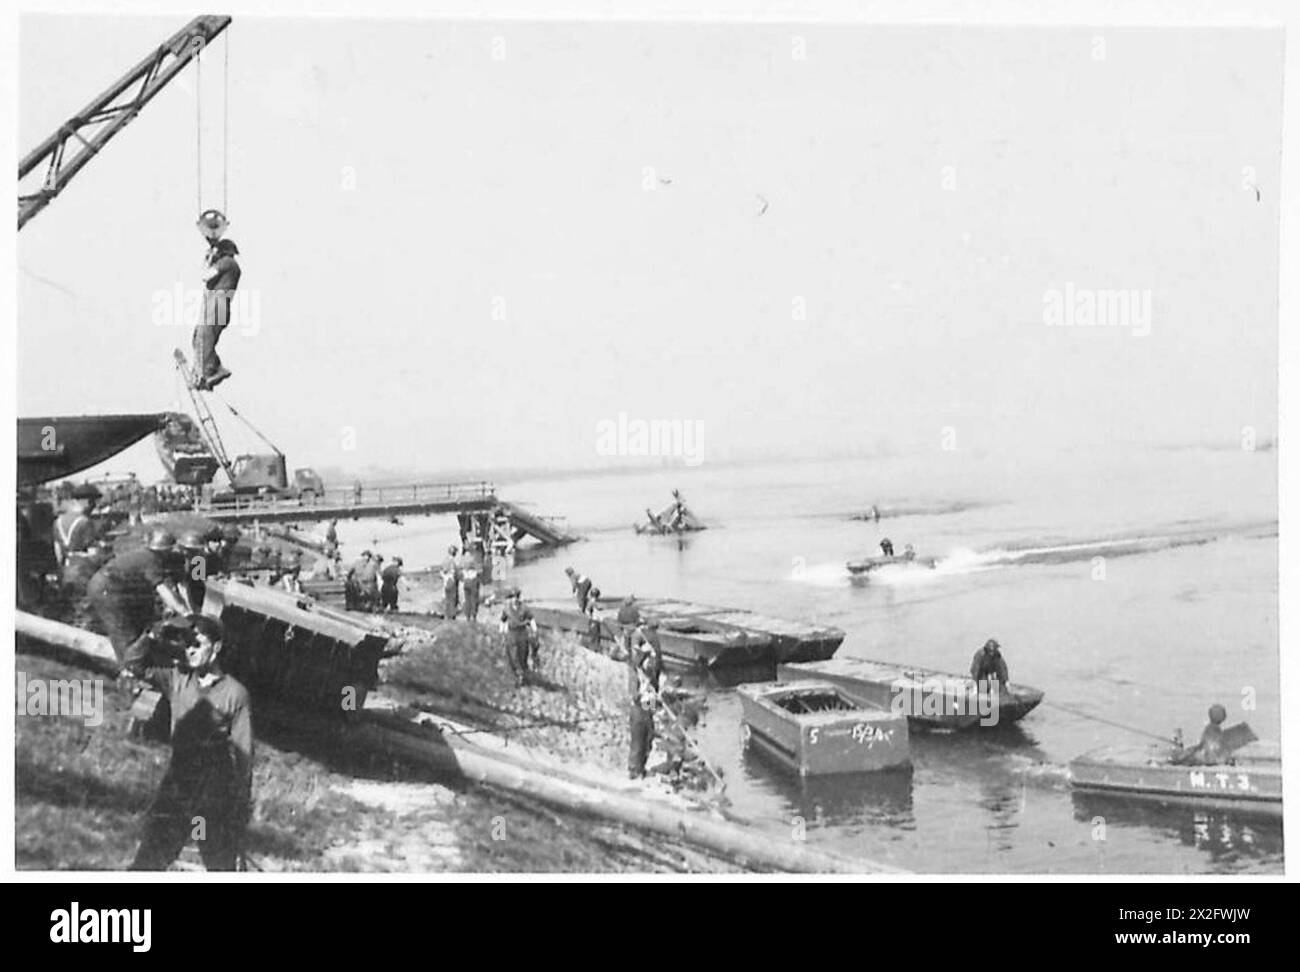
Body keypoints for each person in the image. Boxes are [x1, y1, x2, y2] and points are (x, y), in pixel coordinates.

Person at [127, 615, 253, 871]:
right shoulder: (177, 678)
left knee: (220, 863)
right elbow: (133, 663)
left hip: (214, 785)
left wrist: (240, 802)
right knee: (150, 857)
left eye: (198, 643)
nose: (190, 649)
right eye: (187, 644)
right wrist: (151, 634)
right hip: (179, 779)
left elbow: (244, 752)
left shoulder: (235, 694)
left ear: (216, 648)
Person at [86, 529, 190, 662]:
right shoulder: (151, 559)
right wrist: (184, 611)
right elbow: (163, 589)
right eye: (187, 550)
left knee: (138, 627)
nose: (188, 554)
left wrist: (187, 608)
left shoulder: (186, 560)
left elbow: (181, 585)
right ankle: (130, 669)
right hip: (108, 588)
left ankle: (141, 661)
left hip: (116, 587)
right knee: (125, 635)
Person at [192, 236, 241, 390]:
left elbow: (205, 276)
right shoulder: (231, 267)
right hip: (218, 305)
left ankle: (209, 372)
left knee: (204, 336)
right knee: (199, 336)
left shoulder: (228, 262)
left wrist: (209, 258)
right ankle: (211, 370)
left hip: (218, 305)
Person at [627, 636, 661, 779]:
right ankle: (634, 770)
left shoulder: (651, 664)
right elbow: (634, 692)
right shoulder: (635, 668)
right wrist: (640, 692)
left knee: (649, 735)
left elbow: (654, 676)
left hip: (649, 701)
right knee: (638, 737)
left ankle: (642, 767)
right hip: (639, 705)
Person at [498, 589, 538, 687]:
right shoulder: (507, 609)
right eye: (512, 597)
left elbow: (531, 619)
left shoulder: (524, 608)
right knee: (513, 654)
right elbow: (503, 620)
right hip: (512, 633)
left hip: (522, 632)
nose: (514, 599)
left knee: (523, 653)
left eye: (516, 597)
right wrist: (502, 633)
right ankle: (519, 674)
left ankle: (523, 672)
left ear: (518, 597)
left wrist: (535, 631)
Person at [615, 595, 643, 660]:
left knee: (625, 644)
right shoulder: (634, 609)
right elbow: (637, 620)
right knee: (634, 645)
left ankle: (626, 657)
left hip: (623, 628)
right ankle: (633, 659)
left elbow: (619, 620)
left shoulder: (621, 609)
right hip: (632, 628)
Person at [441, 544, 462, 620]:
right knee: (452, 598)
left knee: (447, 598)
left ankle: (446, 615)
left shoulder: (445, 560)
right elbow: (456, 572)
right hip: (452, 581)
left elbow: (442, 571)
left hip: (445, 581)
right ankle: (452, 615)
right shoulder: (453, 561)